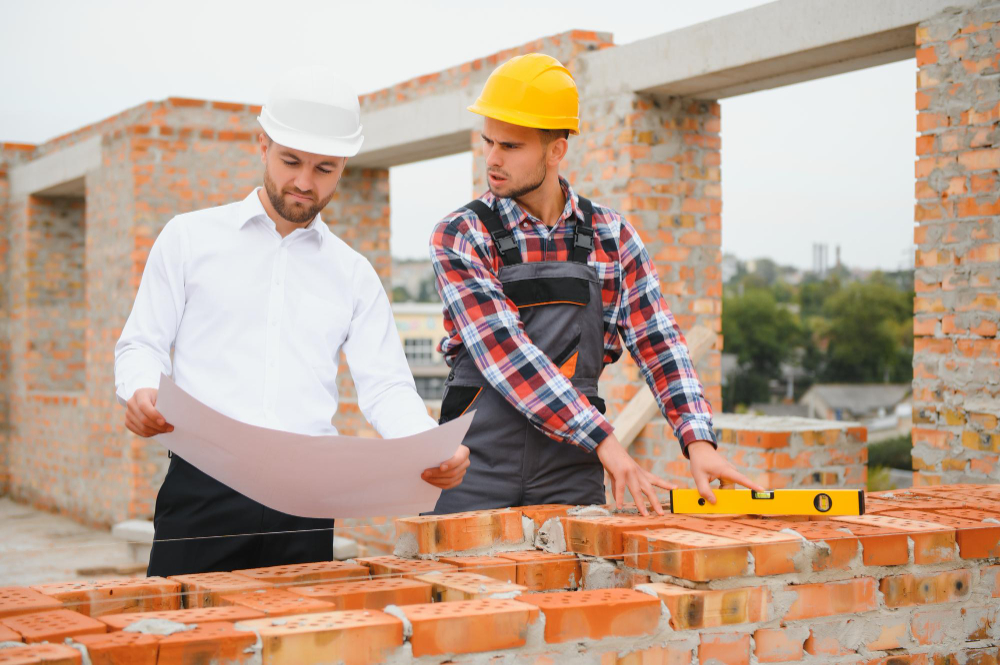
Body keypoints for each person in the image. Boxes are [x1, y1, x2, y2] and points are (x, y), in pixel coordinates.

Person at [115, 66, 469, 576]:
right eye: (291, 161)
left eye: (324, 168)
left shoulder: (353, 273)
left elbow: (386, 387)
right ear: (263, 144)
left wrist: (428, 448)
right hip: (202, 488)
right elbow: (141, 344)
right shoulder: (188, 239)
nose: (304, 182)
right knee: (182, 644)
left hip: (306, 501)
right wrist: (141, 390)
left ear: (344, 164)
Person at [429, 54, 761, 517]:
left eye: (510, 146)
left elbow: (658, 341)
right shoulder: (462, 235)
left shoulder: (611, 235)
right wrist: (605, 439)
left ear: (556, 149)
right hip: (471, 463)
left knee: (574, 589)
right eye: (487, 142)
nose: (492, 159)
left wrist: (697, 440)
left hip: (569, 467)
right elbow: (506, 354)